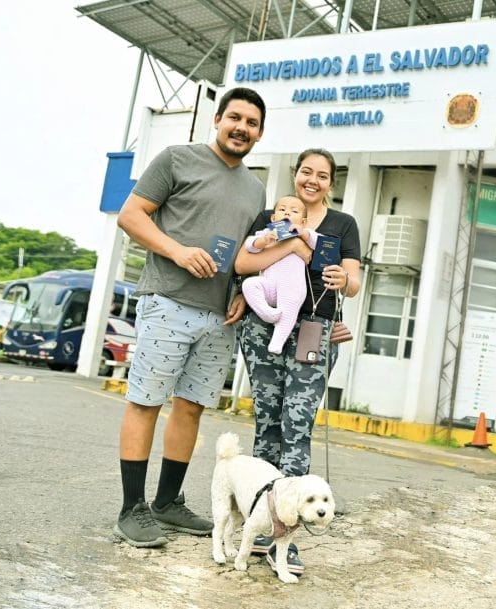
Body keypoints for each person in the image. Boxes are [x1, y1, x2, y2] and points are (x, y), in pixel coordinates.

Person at [112, 87, 267, 548]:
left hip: (219, 316)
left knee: (191, 407)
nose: (241, 128)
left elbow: (246, 254)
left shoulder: (255, 189)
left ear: (260, 134)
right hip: (168, 300)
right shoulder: (176, 159)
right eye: (234, 118)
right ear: (217, 120)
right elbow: (131, 215)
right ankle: (132, 508)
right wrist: (177, 251)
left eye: (252, 123)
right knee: (146, 402)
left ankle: (167, 502)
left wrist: (241, 292)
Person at [235, 148, 361, 575]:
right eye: (306, 171)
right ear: (295, 175)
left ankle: (284, 539)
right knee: (267, 423)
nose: (312, 180)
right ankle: (259, 523)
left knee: (297, 425)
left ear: (331, 183)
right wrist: (292, 244)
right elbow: (244, 262)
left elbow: (354, 281)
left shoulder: (343, 224)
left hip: (314, 329)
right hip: (264, 326)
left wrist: (344, 278)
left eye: (322, 175)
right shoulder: (271, 215)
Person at [241, 195, 320, 355]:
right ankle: (267, 313)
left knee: (288, 309)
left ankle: (277, 342)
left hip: (291, 287)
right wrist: (263, 241)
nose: (287, 213)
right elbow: (249, 245)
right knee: (248, 285)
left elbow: (320, 244)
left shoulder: (306, 234)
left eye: (294, 211)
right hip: (268, 284)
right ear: (273, 218)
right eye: (282, 209)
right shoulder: (266, 233)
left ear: (303, 221)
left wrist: (304, 234)